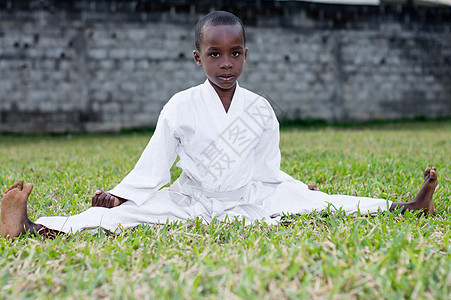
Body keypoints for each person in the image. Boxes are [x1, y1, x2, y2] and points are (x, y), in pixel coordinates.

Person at [0, 11, 438, 239]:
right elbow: (156, 164)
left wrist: (292, 185)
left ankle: (408, 207)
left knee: (324, 202)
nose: (225, 64)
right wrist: (121, 194)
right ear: (198, 58)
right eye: (214, 54)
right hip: (191, 198)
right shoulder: (181, 105)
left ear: (246, 55)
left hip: (248, 198)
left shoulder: (260, 109)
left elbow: (268, 167)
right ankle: (32, 227)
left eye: (235, 53)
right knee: (121, 218)